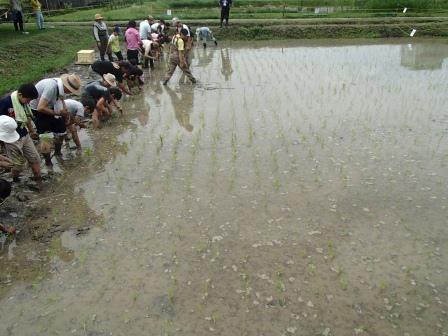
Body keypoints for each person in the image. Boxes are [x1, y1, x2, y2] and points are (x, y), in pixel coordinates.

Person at [29, 74, 81, 166]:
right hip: (38, 111)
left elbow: (62, 99)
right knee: (46, 137)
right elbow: (40, 107)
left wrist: (65, 111)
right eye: (70, 91)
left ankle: (58, 153)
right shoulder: (52, 87)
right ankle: (48, 162)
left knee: (62, 131)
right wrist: (59, 113)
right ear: (66, 87)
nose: (70, 93)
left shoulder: (60, 85)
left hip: (52, 106)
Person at [0, 84, 42, 187]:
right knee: (17, 164)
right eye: (28, 100)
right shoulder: (6, 103)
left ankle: (39, 179)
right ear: (20, 95)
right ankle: (15, 181)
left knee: (34, 157)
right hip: (10, 138)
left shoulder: (23, 104)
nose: (28, 102)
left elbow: (26, 117)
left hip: (24, 134)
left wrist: (32, 131)